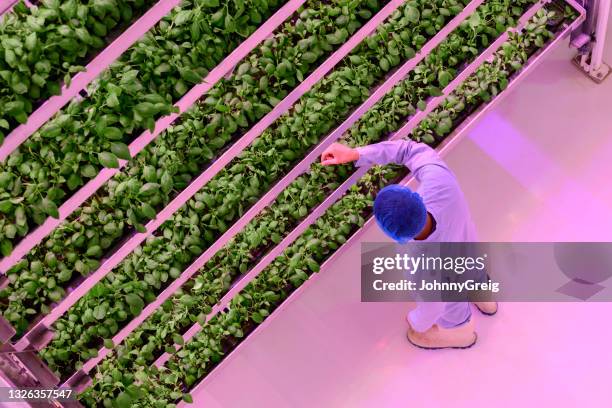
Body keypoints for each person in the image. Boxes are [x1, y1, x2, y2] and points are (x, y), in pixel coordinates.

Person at [320, 139, 498, 350]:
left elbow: (433, 306)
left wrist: (415, 321)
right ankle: (484, 297)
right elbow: (410, 150)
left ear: (395, 235)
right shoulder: (440, 182)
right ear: (414, 197)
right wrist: (356, 153)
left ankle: (462, 332)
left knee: (452, 305)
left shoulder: (420, 266)